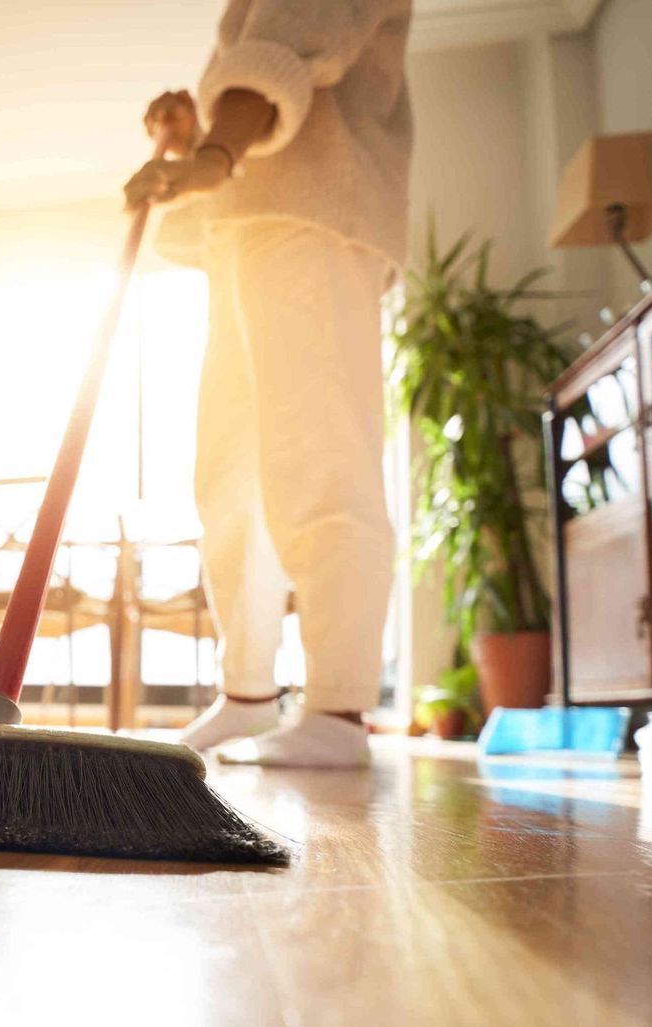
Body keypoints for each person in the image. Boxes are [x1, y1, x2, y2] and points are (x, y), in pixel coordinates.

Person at [124, 0, 413, 768]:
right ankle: (249, 695)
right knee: (231, 476)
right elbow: (261, 65)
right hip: (247, 228)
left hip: (314, 212)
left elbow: (294, 42)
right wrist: (199, 138)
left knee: (321, 451)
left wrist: (216, 154)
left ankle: (338, 707)